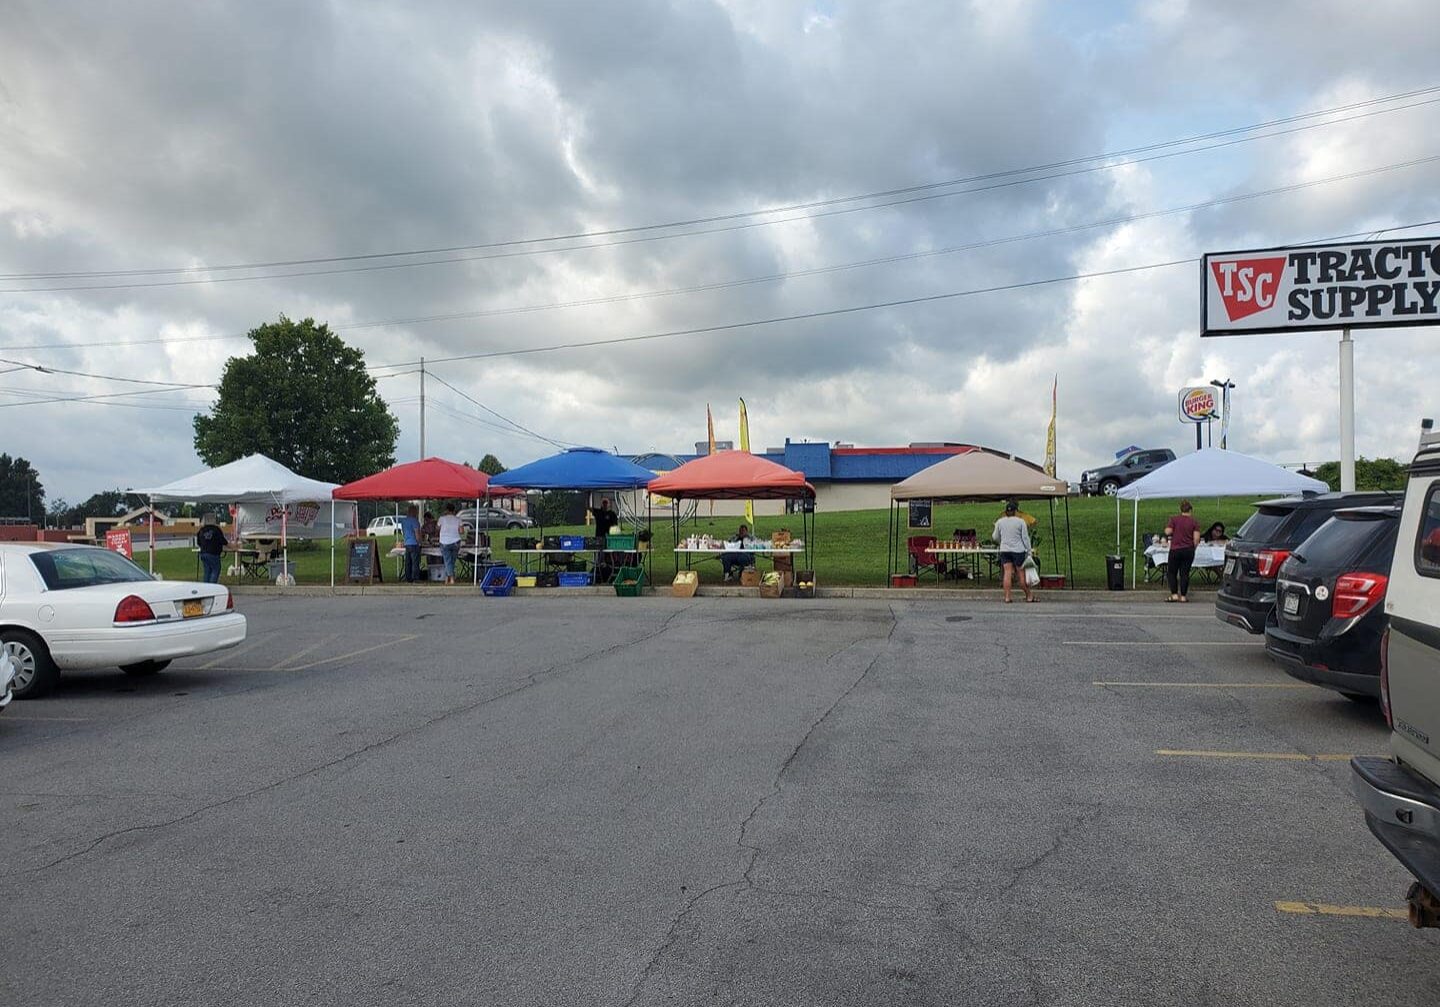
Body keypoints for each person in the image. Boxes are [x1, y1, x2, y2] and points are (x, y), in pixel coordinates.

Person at [993, 501, 1035, 603]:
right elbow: (1025, 538)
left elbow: (995, 537)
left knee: (1007, 573)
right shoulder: (1020, 522)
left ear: (1006, 512)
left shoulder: (1000, 522)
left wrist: (1001, 542)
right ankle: (1029, 595)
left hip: (1005, 550)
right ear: (1015, 511)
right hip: (1018, 551)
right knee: (1020, 574)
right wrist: (1029, 551)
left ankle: (1007, 597)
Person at [1165, 500, 1201, 602]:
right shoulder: (1194, 522)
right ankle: (1184, 596)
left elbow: (1168, 531)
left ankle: (1174, 594)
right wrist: (1193, 547)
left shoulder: (1174, 519)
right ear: (1191, 510)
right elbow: (1196, 539)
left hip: (1175, 549)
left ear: (1180, 510)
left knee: (1172, 572)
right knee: (1184, 573)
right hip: (1188, 550)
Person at [196, 512, 227, 584]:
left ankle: (206, 588)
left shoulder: (201, 530)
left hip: (203, 553)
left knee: (207, 571)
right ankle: (212, 587)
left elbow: (199, 543)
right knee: (216, 570)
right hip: (213, 553)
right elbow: (223, 541)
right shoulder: (216, 529)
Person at [437, 503, 464, 585]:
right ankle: (447, 578)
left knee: (447, 560)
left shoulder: (442, 518)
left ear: (446, 510)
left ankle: (451, 578)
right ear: (454, 510)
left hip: (444, 541)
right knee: (452, 561)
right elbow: (462, 531)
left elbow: (437, 528)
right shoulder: (458, 519)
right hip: (456, 541)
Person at [398, 505, 422, 583]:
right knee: (415, 562)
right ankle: (415, 578)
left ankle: (408, 578)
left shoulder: (404, 521)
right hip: (414, 543)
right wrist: (420, 542)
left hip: (407, 543)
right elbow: (417, 533)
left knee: (408, 562)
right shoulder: (415, 521)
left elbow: (404, 532)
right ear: (414, 512)